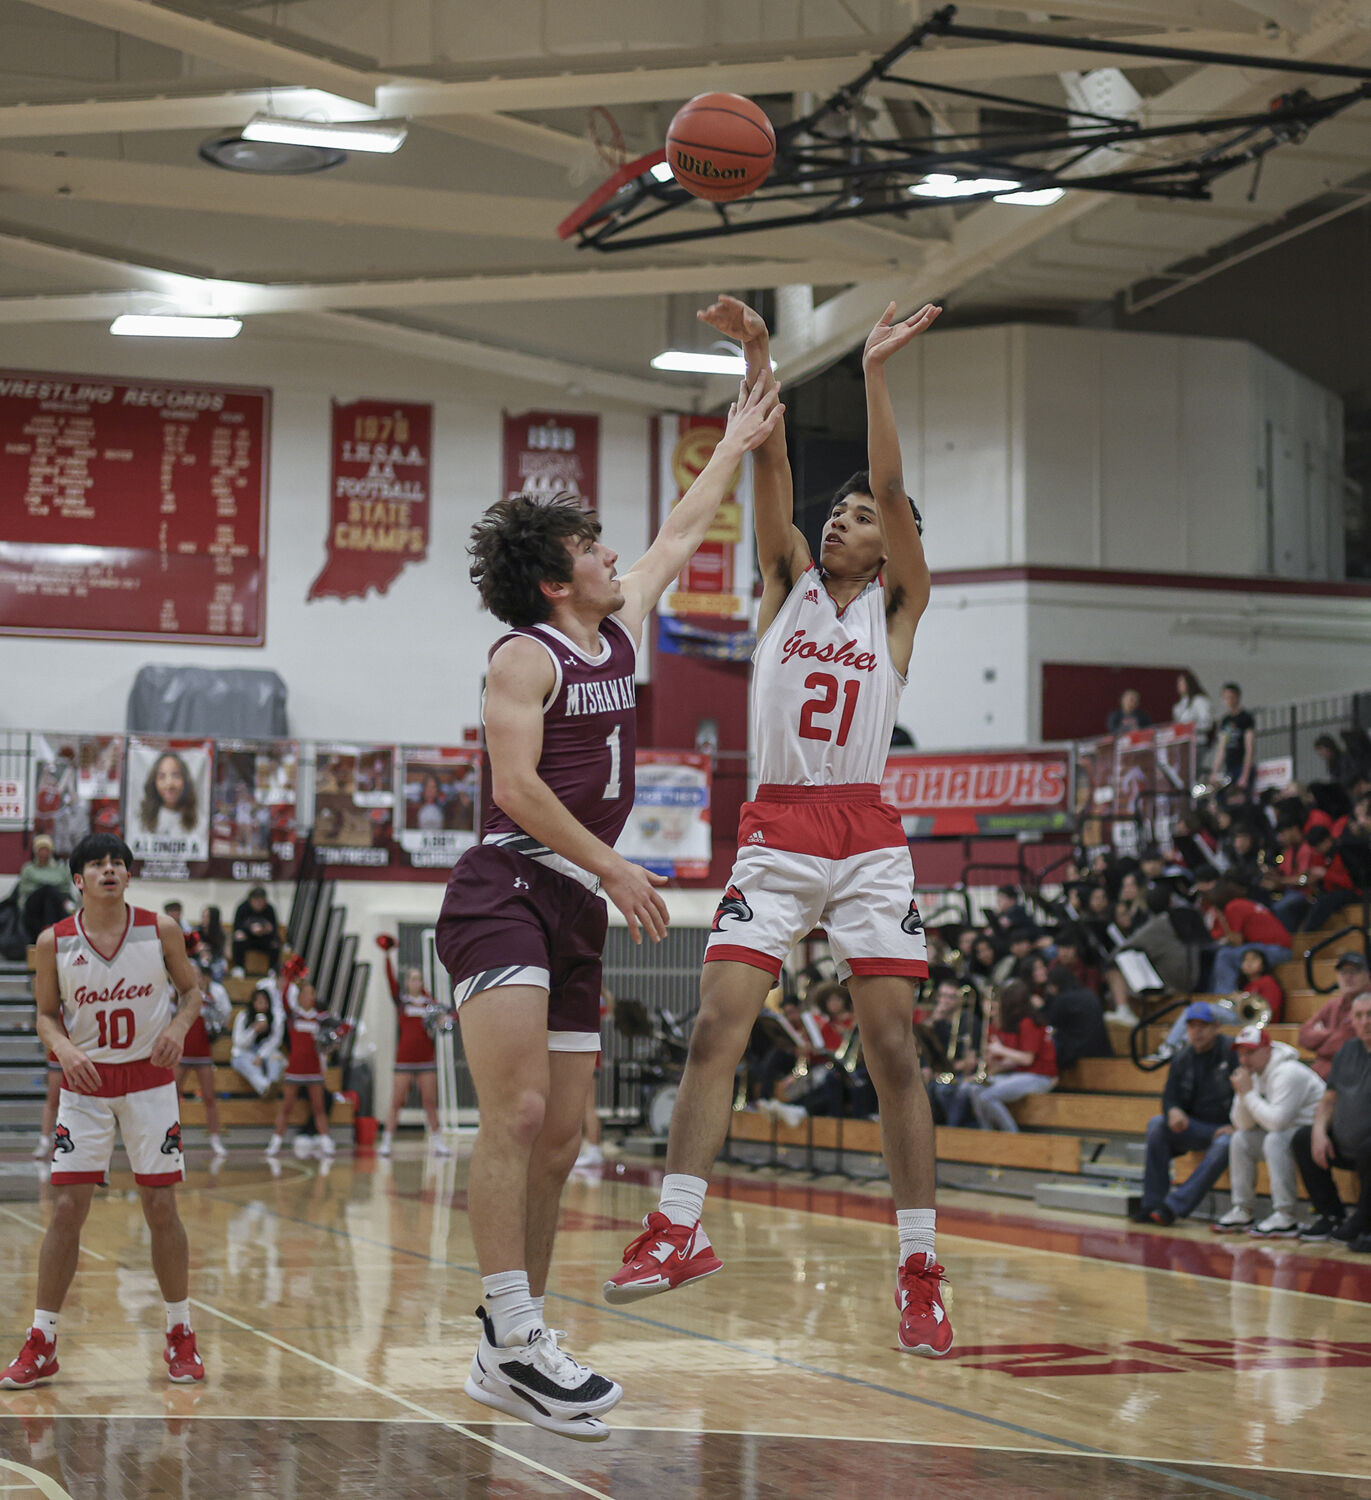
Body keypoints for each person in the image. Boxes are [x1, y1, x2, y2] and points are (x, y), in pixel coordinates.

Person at [433, 372, 783, 1442]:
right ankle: (517, 1327)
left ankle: (510, 1349)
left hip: (578, 900)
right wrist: (619, 865)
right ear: (554, 580)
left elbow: (681, 531)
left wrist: (732, 441)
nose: (610, 554)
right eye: (589, 547)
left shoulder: (617, 623)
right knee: (522, 1113)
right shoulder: (522, 656)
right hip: (505, 885)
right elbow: (517, 791)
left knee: (563, 1137)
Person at [605, 295, 955, 1357]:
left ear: (891, 552)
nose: (849, 521)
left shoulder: (899, 611)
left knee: (894, 1047)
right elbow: (770, 467)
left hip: (867, 836)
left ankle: (920, 1268)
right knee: (718, 1025)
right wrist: (759, 353)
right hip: (779, 828)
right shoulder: (782, 586)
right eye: (838, 514)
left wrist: (880, 373)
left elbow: (891, 488)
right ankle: (675, 1228)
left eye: (864, 521)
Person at [0, 832, 206, 1390]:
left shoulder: (159, 928)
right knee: (67, 1209)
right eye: (98, 863)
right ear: (78, 880)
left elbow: (192, 992)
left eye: (118, 862)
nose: (110, 869)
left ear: (128, 875)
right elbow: (45, 1015)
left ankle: (180, 1333)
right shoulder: (53, 942)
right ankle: (42, 1341)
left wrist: (178, 1029)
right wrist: (63, 1047)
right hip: (85, 1085)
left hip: (149, 1081)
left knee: (161, 1208)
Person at [1212, 1024, 1325, 1238]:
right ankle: (1242, 1209)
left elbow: (1277, 1123)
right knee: (1240, 1139)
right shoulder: (1254, 1075)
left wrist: (1248, 1094)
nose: (1244, 1060)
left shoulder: (1288, 1072)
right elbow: (1242, 1124)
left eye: (1250, 1052)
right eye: (1241, 1054)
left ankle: (1285, 1215)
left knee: (1274, 1140)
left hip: (1313, 1135)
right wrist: (1243, 1094)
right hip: (1287, 1134)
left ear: (1267, 1049)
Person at [1134, 1002, 1237, 1226]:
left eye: (1203, 1026)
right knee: (1157, 1125)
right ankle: (1151, 1203)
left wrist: (1237, 1125)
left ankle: (1172, 1207)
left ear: (1217, 1027)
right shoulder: (1181, 1057)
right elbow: (1169, 1096)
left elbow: (1248, 1092)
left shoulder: (1232, 1052)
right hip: (1193, 1126)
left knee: (1227, 1143)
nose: (1197, 1031)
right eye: (1192, 1026)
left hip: (1226, 1127)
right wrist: (1173, 1111)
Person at [1293, 991, 1371, 1246]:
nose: (1365, 1021)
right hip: (1346, 1144)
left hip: (1367, 1150)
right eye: (1359, 1016)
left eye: (1370, 1015)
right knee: (1302, 1139)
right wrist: (1318, 1132)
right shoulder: (1348, 1049)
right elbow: (1328, 1100)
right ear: (1352, 1021)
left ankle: (1362, 1220)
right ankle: (1331, 1214)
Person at [961, 981, 1058, 1131]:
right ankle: (987, 1133)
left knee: (988, 1096)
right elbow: (1015, 1060)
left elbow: (1027, 1059)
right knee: (974, 1089)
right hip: (1020, 1074)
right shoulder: (1019, 1023)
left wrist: (1000, 1049)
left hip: (1038, 1076)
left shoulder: (1028, 1022)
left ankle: (1012, 1135)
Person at [378, 967, 450, 1157]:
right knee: (397, 1101)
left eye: (419, 979)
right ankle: (386, 1141)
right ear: (407, 982)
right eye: (412, 979)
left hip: (426, 1060)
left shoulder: (430, 1004)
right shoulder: (402, 1002)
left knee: (429, 1101)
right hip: (404, 1060)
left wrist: (444, 1021)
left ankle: (438, 1142)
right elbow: (392, 985)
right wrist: (387, 954)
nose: (416, 982)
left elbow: (448, 1016)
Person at [265, 981, 337, 1157]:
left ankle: (326, 1139)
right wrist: (288, 979)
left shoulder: (320, 1018)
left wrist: (340, 1033)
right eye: (306, 993)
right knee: (286, 1108)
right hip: (295, 1070)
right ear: (299, 997)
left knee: (319, 1108)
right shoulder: (293, 1017)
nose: (310, 997)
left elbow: (337, 1031)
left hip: (313, 1071)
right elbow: (283, 999)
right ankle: (276, 1142)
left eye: (312, 993)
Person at [177, 961, 231, 1157]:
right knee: (172, 1098)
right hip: (181, 1052)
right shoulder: (179, 996)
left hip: (203, 1054)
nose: (195, 977)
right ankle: (171, 1138)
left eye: (198, 974)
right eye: (191, 974)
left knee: (209, 1097)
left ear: (204, 978)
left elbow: (222, 1019)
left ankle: (215, 1139)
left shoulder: (210, 998)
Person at [1297, 950, 1369, 1079]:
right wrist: (1331, 1034)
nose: (1347, 977)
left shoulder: (1367, 1005)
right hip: (1321, 1075)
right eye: (1343, 972)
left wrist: (1321, 1037)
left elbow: (1343, 1048)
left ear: (1367, 974)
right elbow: (1303, 1036)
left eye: (1353, 972)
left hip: (1353, 1076)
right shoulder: (1333, 1004)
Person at [16, 834, 77, 942]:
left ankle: (48, 927)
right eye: (41, 849)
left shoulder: (60, 869)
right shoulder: (28, 868)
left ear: (51, 851)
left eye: (46, 849)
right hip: (33, 904)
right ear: (36, 851)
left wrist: (42, 883)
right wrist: (46, 886)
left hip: (54, 902)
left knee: (50, 895)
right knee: (48, 889)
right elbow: (26, 888)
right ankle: (68, 906)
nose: (44, 852)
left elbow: (65, 888)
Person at [230, 985, 285, 1096]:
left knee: (277, 1058)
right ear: (253, 1002)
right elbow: (238, 1042)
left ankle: (272, 1084)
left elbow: (276, 1040)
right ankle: (265, 1087)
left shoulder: (275, 1018)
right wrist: (254, 1030)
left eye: (265, 1002)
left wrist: (261, 1055)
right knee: (248, 1064)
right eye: (259, 1002)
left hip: (265, 1053)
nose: (262, 1006)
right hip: (245, 1054)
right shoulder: (243, 1016)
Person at [1210, 683, 1256, 799]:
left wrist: (1245, 775)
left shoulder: (1245, 718)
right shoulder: (1226, 720)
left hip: (1241, 765)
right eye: (1225, 697)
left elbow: (1249, 747)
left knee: (1242, 798)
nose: (1228, 700)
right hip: (1229, 767)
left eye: (1230, 697)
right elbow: (1221, 748)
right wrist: (1214, 772)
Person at [138, 751, 198, 837]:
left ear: (185, 780)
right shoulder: (140, 821)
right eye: (162, 777)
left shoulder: (199, 821)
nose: (169, 784)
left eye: (176, 775)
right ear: (154, 782)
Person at [231, 886, 280, 974]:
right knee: (238, 938)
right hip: (248, 938)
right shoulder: (242, 908)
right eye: (256, 901)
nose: (259, 904)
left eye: (262, 901)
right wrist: (249, 930)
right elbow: (237, 927)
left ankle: (272, 968)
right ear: (251, 900)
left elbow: (274, 928)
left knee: (275, 942)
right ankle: (239, 967)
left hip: (264, 939)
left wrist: (266, 930)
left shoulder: (269, 909)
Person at [1172, 671, 1214, 745]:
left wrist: (1189, 727)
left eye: (1182, 683)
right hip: (1183, 743)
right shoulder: (1180, 704)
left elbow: (1207, 723)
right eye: (1178, 683)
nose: (1179, 686)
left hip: (1197, 742)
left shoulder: (1200, 700)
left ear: (1189, 684)